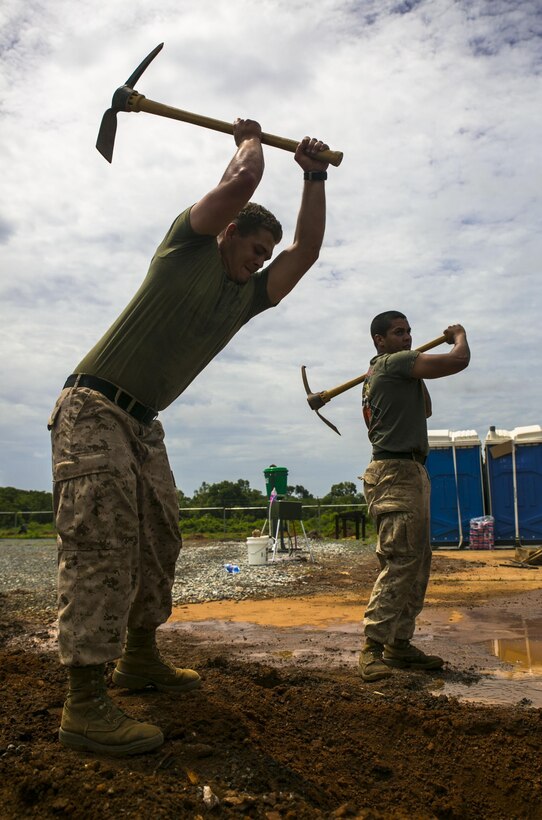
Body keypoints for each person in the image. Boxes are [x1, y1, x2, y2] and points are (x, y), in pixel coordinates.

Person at [47, 118, 331, 755]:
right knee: (103, 544)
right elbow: (244, 178)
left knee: (160, 539)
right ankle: (84, 705)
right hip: (94, 405)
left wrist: (313, 177)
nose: (257, 261)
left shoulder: (248, 297)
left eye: (264, 256)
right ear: (229, 233)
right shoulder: (187, 248)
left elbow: (307, 251)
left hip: (145, 424)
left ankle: (140, 657)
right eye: (253, 247)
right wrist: (250, 139)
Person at [358, 311, 470, 682]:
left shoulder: (386, 372)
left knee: (417, 563)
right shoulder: (393, 364)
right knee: (400, 561)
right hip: (394, 473)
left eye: (409, 332)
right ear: (379, 340)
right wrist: (458, 335)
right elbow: (459, 360)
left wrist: (412, 370)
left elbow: (425, 409)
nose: (407, 337)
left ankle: (399, 644)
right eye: (398, 332)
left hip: (409, 470)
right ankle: (371, 648)